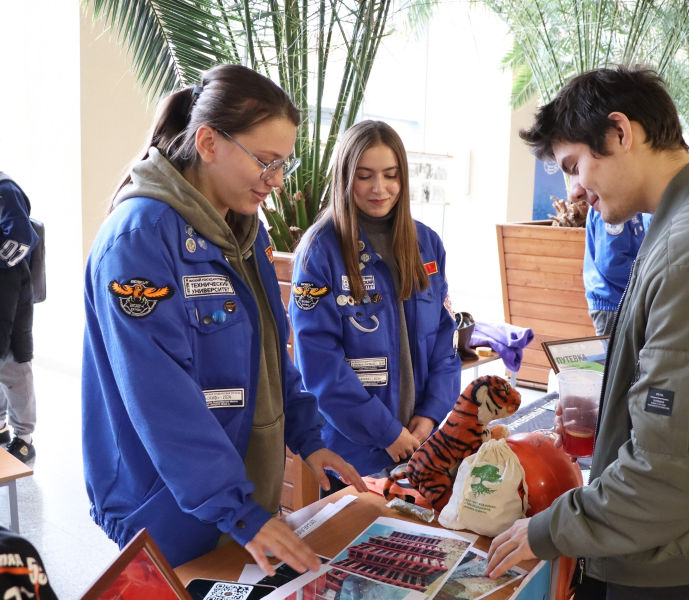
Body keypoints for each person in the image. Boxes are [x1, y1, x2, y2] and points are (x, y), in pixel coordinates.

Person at [486, 66, 689, 599]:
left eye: (574, 165)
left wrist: (550, 530)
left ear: (619, 132)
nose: (574, 190)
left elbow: (669, 469)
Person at [82, 64, 366, 572]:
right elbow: (161, 395)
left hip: (233, 496)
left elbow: (268, 355)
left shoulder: (242, 231)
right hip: (167, 503)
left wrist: (307, 438)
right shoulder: (140, 239)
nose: (276, 182)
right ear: (209, 142)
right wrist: (237, 510)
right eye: (265, 162)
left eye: (285, 164)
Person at [290, 121, 460, 491]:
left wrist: (430, 416)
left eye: (390, 175)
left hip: (422, 447)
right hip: (355, 457)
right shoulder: (319, 253)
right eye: (365, 176)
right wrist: (387, 433)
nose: (380, 189)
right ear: (345, 178)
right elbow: (320, 368)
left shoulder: (426, 243)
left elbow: (444, 346)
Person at [575, 182, 649, 337]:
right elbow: (612, 263)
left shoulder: (632, 202)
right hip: (612, 303)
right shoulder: (611, 204)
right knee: (614, 360)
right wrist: (650, 275)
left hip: (625, 301)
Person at [0, 173, 39, 464]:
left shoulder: (5, 190)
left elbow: (21, 237)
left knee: (14, 366)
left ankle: (24, 438)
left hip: (10, 292)